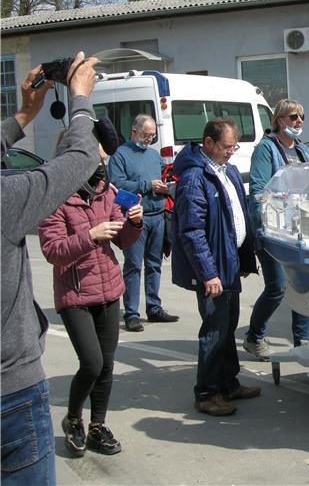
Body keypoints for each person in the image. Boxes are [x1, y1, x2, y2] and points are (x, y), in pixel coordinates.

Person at [1, 52, 101, 485]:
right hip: (10, 392)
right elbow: (80, 158)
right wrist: (79, 99)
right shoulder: (8, 201)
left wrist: (24, 115)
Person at [38, 140, 144, 458]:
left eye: (103, 156)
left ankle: (97, 425)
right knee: (92, 363)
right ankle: (73, 419)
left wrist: (135, 221)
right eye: (97, 156)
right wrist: (89, 236)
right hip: (75, 294)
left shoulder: (106, 192)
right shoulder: (54, 198)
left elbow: (123, 240)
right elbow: (53, 252)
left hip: (109, 290)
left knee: (107, 366)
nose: (102, 161)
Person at [171, 118, 260, 416]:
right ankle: (207, 393)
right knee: (214, 329)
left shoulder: (228, 171)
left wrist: (244, 258)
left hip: (229, 262)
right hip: (213, 268)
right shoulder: (195, 178)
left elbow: (239, 216)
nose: (231, 152)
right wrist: (208, 272)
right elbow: (192, 230)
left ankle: (228, 383)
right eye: (226, 146)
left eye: (234, 145)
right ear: (207, 143)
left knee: (228, 326)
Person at [243, 100, 309, 360]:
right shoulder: (266, 148)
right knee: (278, 288)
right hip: (274, 231)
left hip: (303, 230)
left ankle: (302, 342)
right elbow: (258, 190)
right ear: (279, 120)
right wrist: (264, 227)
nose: (299, 121)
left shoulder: (305, 151)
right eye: (293, 116)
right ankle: (254, 336)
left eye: (302, 116)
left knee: (303, 287)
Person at [108, 114, 179, 332]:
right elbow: (116, 186)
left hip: (158, 216)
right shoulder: (120, 155)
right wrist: (147, 185)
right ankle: (131, 313)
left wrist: (166, 187)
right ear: (135, 131)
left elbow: (164, 178)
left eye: (152, 136)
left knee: (154, 265)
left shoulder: (154, 156)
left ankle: (154, 307)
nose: (149, 139)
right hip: (135, 219)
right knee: (133, 266)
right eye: (146, 135)